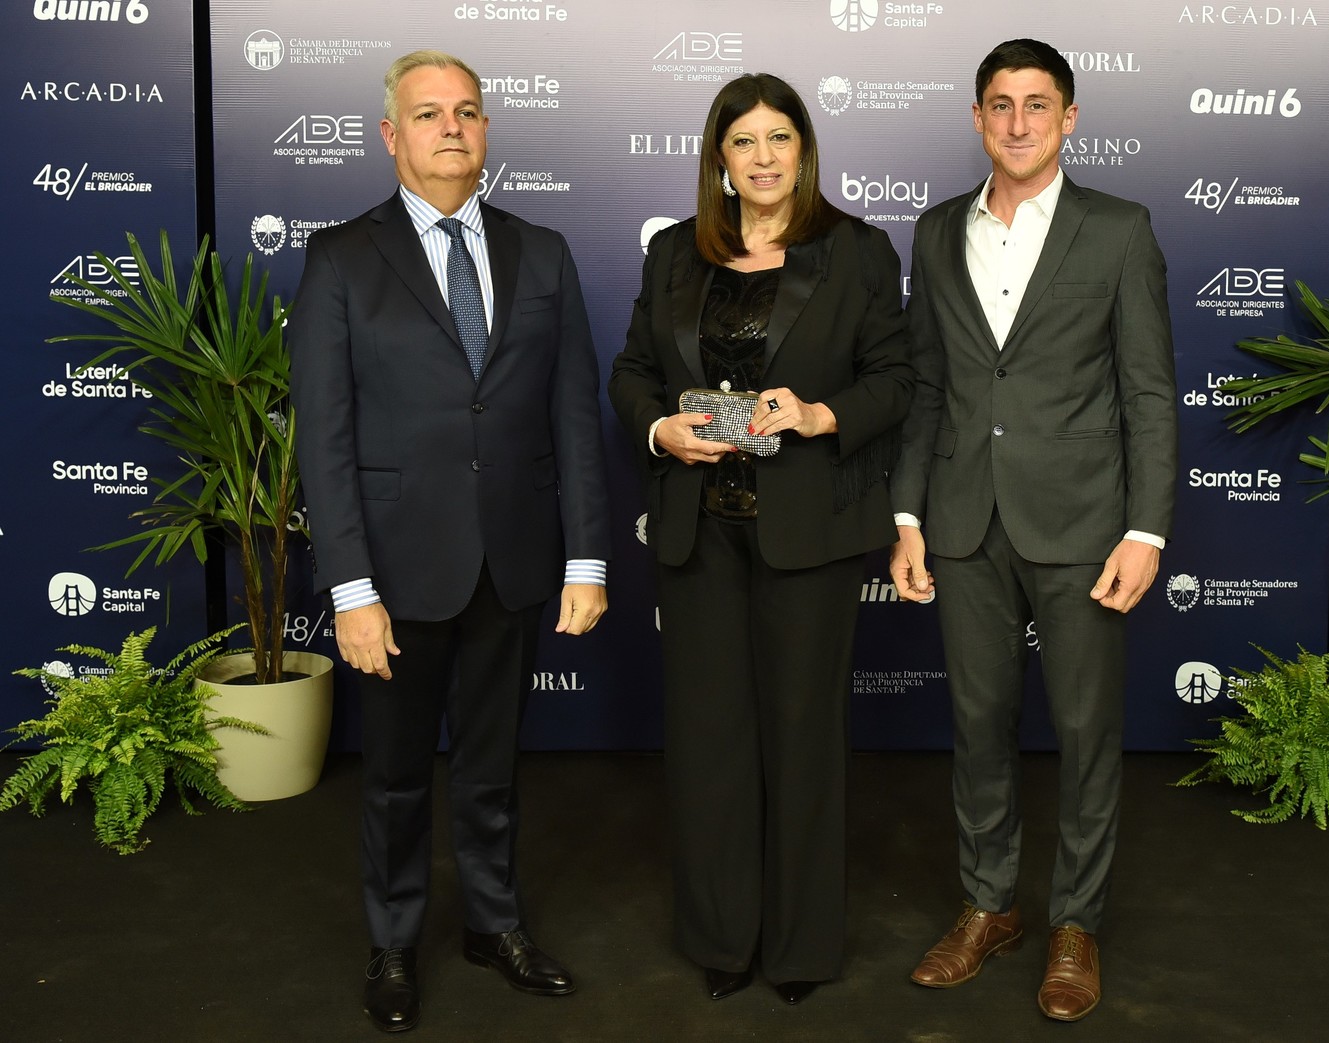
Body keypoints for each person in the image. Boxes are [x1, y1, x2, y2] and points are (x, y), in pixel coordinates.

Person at [289, 49, 612, 1033]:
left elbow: (572, 417)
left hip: (511, 562)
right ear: (391, 136)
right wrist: (348, 588)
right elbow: (327, 438)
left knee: (493, 765)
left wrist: (586, 557)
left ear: (485, 131)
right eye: (427, 114)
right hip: (392, 572)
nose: (450, 128)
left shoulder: (542, 252)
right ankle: (392, 941)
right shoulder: (342, 258)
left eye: (466, 111)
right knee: (391, 775)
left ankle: (493, 924)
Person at [889, 39, 1177, 1022]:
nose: (1016, 121)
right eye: (999, 104)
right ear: (976, 117)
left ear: (1068, 118)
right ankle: (988, 905)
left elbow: (1146, 391)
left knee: (1087, 732)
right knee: (976, 728)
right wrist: (906, 515)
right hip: (964, 520)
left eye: (1036, 104)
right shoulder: (932, 232)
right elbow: (927, 387)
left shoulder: (1118, 230)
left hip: (1085, 526)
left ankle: (1074, 923)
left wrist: (1145, 529)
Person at [608, 73, 912, 1006]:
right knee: (708, 743)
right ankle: (719, 935)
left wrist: (820, 414)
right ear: (720, 160)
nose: (765, 156)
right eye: (745, 141)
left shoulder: (856, 251)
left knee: (802, 740)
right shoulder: (671, 254)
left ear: (804, 149)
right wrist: (662, 430)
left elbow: (896, 378)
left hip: (806, 537)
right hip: (700, 535)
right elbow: (630, 373)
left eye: (781, 137)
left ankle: (800, 946)